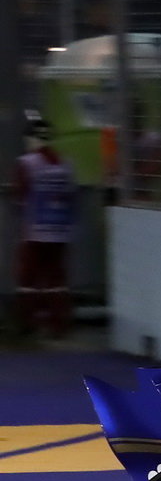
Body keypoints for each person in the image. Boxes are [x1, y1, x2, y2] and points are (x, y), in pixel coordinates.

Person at [13, 119, 75, 339]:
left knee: (27, 278)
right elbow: (70, 195)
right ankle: (58, 324)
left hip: (35, 229)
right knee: (56, 278)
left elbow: (21, 194)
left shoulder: (27, 163)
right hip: (60, 228)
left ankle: (27, 322)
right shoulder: (65, 164)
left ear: (31, 138)